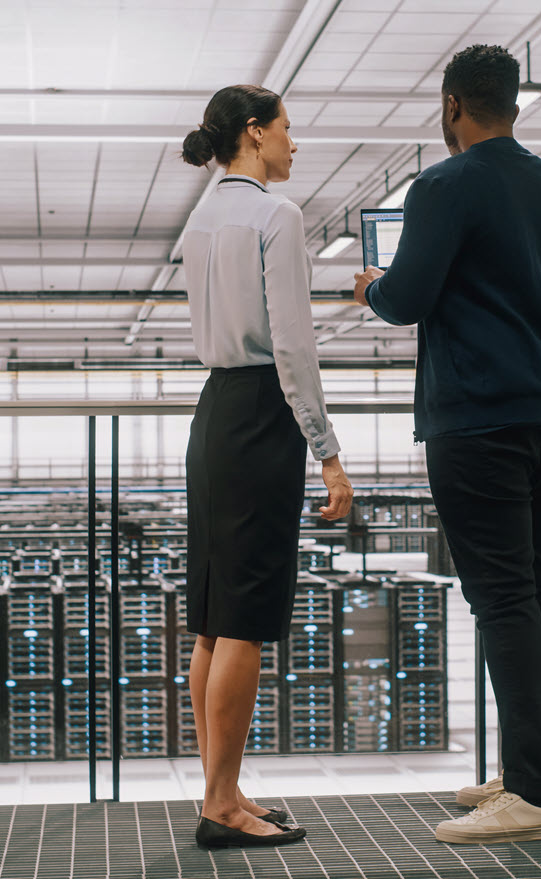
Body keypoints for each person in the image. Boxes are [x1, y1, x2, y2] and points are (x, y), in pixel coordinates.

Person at [353, 45, 541, 845]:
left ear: (453, 107)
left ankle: (531, 794)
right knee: (534, 590)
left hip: (476, 418)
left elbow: (408, 297)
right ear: (514, 106)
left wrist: (370, 288)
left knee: (501, 597)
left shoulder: (443, 185)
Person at [181, 84, 353, 849]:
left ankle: (225, 787)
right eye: (287, 130)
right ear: (254, 133)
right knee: (245, 619)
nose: (294, 144)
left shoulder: (202, 215)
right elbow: (293, 344)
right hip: (260, 417)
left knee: (215, 619)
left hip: (215, 414)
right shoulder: (275, 215)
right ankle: (221, 807)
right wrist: (328, 452)